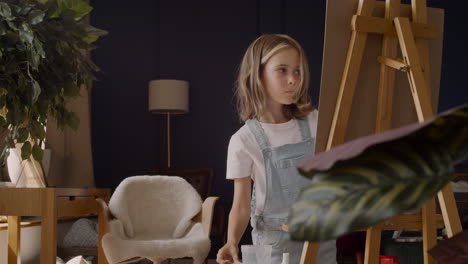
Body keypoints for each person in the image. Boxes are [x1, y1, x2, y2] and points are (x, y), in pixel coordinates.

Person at [216, 34, 337, 264]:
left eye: (297, 71)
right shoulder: (244, 140)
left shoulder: (315, 122)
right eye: (282, 70)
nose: (293, 79)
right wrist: (232, 241)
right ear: (258, 75)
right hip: (273, 245)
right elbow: (241, 206)